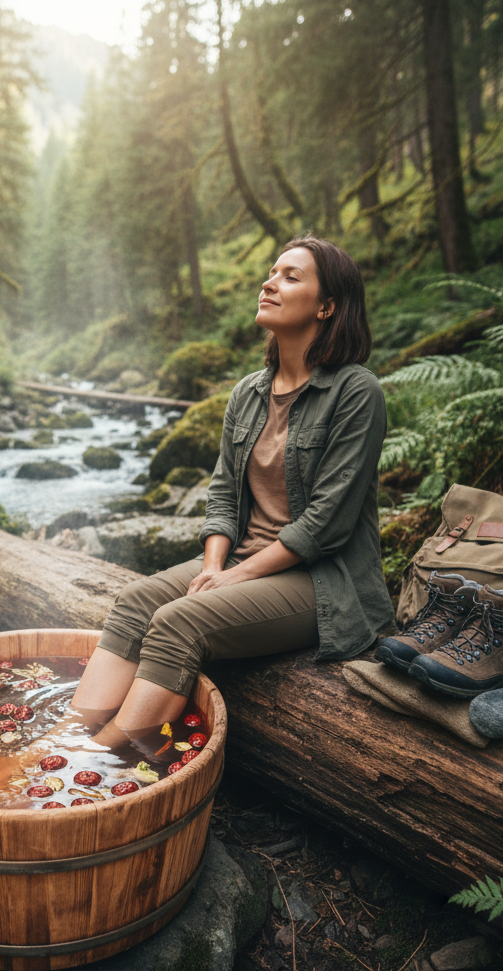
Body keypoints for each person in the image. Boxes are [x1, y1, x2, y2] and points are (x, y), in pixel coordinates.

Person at [71, 236, 394, 749]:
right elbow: (222, 495)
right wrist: (213, 568)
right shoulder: (248, 392)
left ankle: (96, 764)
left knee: (179, 623)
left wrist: (235, 577)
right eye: (271, 272)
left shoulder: (357, 392)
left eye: (291, 276)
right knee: (135, 603)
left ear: (327, 306)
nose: (269, 282)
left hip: (322, 580)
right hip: (244, 558)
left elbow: (327, 523)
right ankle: (71, 735)